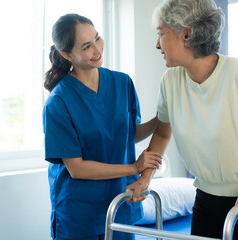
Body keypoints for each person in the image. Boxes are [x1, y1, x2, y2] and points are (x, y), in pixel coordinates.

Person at [126, 0, 238, 239]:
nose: (157, 44)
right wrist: (145, 179)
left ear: (186, 34)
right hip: (205, 197)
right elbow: (163, 133)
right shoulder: (170, 81)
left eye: (161, 33)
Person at [42, 13, 162, 240]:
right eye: (87, 47)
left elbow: (128, 134)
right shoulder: (59, 102)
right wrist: (134, 169)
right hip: (79, 212)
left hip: (118, 202)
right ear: (67, 55)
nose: (98, 50)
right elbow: (77, 168)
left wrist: (160, 119)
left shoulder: (122, 82)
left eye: (98, 38)